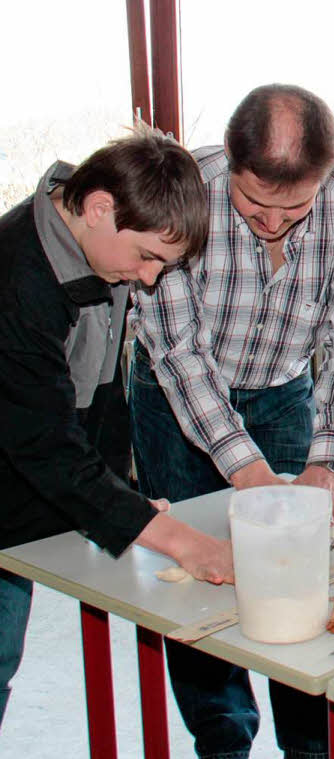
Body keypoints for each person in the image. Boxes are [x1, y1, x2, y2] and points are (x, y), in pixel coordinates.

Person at [127, 84, 334, 759]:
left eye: (294, 208)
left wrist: (328, 460)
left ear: (324, 177)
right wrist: (248, 472)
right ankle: (222, 737)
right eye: (254, 206)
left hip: (282, 394)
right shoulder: (187, 190)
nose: (273, 223)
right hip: (173, 396)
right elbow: (180, 352)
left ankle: (308, 744)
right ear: (232, 168)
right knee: (195, 575)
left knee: (299, 570)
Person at [0, 127, 233, 729]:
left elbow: (100, 401)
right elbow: (44, 445)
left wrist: (122, 501)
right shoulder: (16, 282)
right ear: (100, 207)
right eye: (148, 257)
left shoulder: (96, 256)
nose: (150, 278)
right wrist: (182, 540)